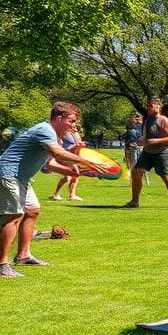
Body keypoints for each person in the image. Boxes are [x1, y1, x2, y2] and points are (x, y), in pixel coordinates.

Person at [0, 103, 107, 278]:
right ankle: (2, 264)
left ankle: (23, 255)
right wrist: (88, 161)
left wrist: (81, 172)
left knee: (32, 210)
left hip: (22, 178)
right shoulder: (45, 129)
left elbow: (50, 164)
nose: (74, 125)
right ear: (59, 118)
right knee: (14, 215)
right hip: (9, 174)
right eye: (71, 121)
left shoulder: (55, 138)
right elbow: (58, 154)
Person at [124, 97, 168, 211]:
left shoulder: (163, 120)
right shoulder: (147, 119)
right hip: (147, 152)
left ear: (158, 106)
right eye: (147, 105)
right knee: (136, 172)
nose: (148, 107)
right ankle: (135, 201)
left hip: (161, 153)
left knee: (165, 176)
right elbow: (146, 135)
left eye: (150, 105)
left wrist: (155, 141)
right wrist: (142, 139)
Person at [51, 125, 85, 201]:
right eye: (72, 123)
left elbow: (77, 143)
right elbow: (58, 142)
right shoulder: (64, 132)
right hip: (65, 156)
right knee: (72, 175)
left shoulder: (73, 133)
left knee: (72, 176)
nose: (74, 125)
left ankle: (65, 195)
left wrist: (80, 144)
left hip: (73, 155)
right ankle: (67, 195)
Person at [123, 113, 144, 180]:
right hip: (131, 146)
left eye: (138, 117)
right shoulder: (130, 127)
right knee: (131, 163)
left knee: (139, 163)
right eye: (135, 118)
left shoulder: (142, 126)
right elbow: (128, 137)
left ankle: (138, 176)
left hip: (139, 146)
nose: (136, 119)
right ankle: (133, 177)